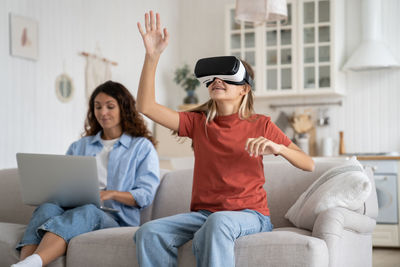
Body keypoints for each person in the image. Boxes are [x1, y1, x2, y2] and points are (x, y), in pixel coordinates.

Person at [134, 11, 315, 267]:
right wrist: (152, 57)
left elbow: (308, 164)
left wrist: (278, 147)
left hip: (251, 215)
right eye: (213, 77)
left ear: (244, 88)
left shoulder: (261, 124)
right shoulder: (197, 122)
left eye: (226, 76)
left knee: (218, 223)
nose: (217, 80)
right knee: (149, 232)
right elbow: (146, 106)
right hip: (204, 215)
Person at [13, 81, 160, 267]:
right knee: (47, 207)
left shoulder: (141, 147)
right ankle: (24, 264)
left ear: (124, 108)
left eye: (110, 106)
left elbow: (145, 194)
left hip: (116, 218)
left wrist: (110, 194)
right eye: (97, 107)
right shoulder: (80, 146)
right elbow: (62, 183)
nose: (103, 112)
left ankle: (32, 262)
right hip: (73, 210)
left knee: (89, 210)